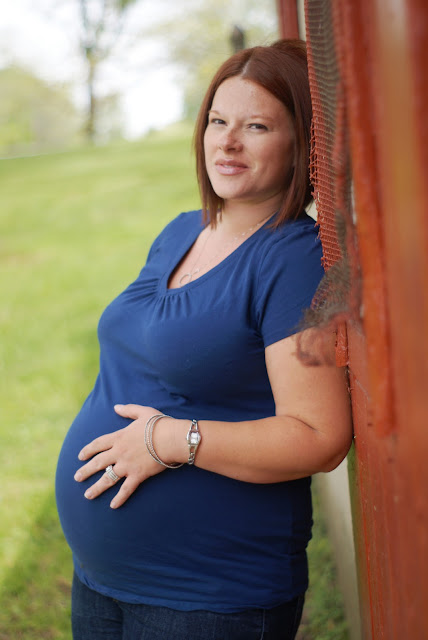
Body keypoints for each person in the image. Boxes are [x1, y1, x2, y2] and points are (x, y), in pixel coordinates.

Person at [56, 39, 352, 640]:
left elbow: (318, 437)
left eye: (256, 126)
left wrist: (169, 440)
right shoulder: (180, 232)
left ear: (302, 145)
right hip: (103, 579)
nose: (228, 142)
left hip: (206, 598)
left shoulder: (292, 260)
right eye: (218, 121)